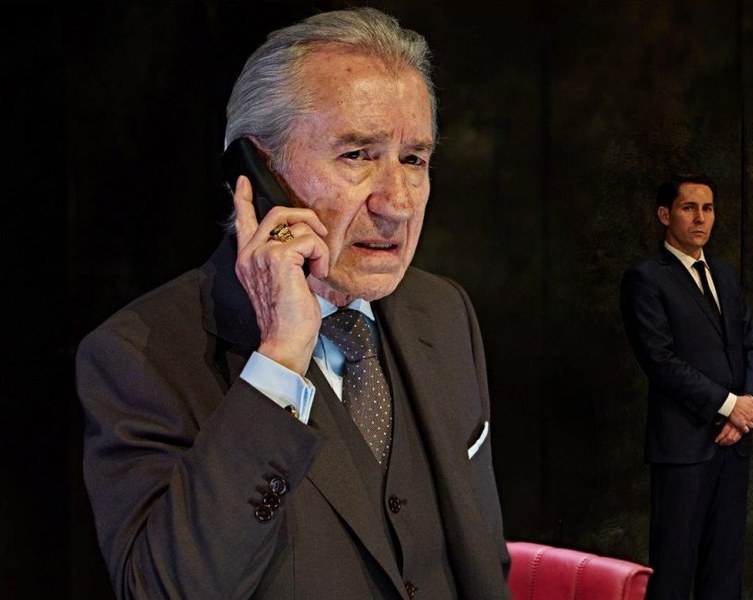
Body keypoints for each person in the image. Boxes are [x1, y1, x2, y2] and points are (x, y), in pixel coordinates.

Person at [76, 7, 510, 600]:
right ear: (256, 174)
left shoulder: (443, 311)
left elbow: (483, 562)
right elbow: (163, 590)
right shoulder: (139, 355)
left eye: (413, 159)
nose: (398, 204)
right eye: (357, 155)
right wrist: (279, 360)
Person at [620, 173, 753, 599]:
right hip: (682, 448)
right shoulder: (646, 278)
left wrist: (744, 412)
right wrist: (728, 406)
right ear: (665, 215)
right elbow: (660, 361)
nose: (701, 218)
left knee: (724, 571)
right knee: (673, 571)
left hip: (733, 445)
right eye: (689, 208)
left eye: (708, 208)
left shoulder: (725, 274)